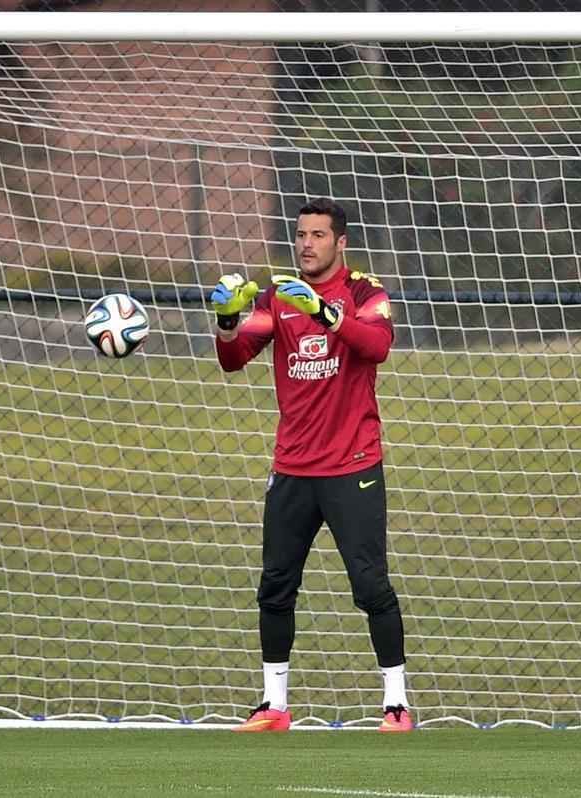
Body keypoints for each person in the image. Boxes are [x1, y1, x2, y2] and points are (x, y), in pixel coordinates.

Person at [208, 198, 411, 733]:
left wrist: (324, 312)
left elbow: (377, 344)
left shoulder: (366, 292)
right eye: (300, 235)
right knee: (275, 585)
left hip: (353, 464)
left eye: (318, 235)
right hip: (293, 467)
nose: (306, 244)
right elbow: (233, 358)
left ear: (340, 243)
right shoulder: (278, 297)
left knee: (370, 587)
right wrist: (227, 320)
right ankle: (274, 706)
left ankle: (396, 705)